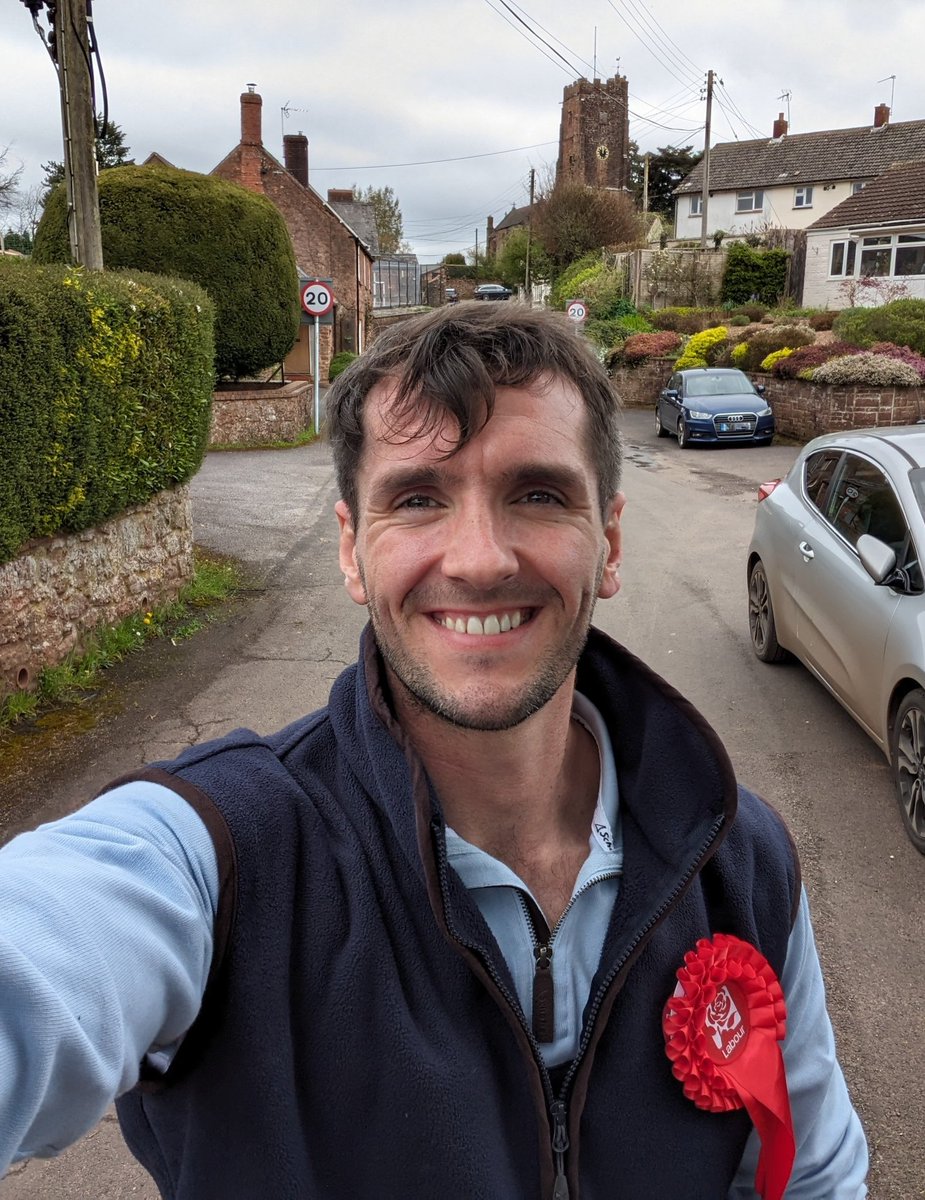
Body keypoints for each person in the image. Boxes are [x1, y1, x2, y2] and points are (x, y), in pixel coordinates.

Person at [0, 303, 867, 1198]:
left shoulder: (740, 858)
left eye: (537, 493)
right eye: (418, 499)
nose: (481, 558)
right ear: (352, 551)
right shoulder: (220, 859)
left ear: (606, 542)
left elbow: (812, 1174)